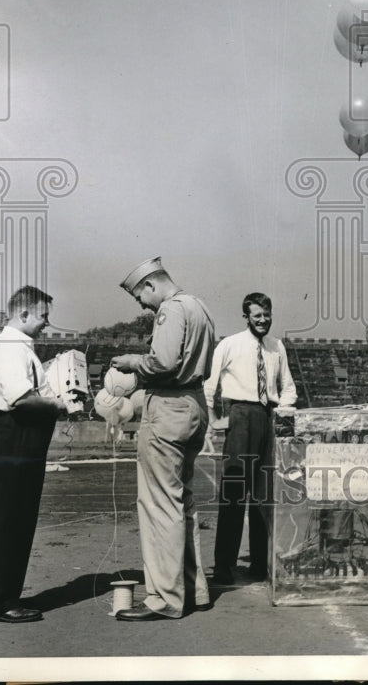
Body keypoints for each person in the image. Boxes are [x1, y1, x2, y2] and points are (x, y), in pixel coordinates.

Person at [112, 257, 215, 620]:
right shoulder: (198, 305)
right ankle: (194, 590)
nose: (141, 304)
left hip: (169, 408)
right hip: (194, 405)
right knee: (182, 503)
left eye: (140, 296)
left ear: (152, 285)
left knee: (160, 507)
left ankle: (164, 599)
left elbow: (164, 363)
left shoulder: (171, 309)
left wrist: (131, 363)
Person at [0, 285, 67, 623]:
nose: (47, 322)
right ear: (25, 313)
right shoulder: (13, 347)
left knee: (17, 519)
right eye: (43, 316)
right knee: (9, 521)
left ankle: (5, 597)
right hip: (13, 434)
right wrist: (58, 404)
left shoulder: (18, 346)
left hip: (19, 435)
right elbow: (20, 398)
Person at [204, 292, 297, 584]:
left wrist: (282, 410)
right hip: (240, 416)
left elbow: (290, 388)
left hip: (268, 417)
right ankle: (224, 565)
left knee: (264, 495)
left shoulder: (276, 346)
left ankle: (260, 563)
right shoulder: (229, 344)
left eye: (267, 315)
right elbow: (209, 385)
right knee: (233, 492)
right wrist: (213, 420)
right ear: (246, 316)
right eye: (257, 315)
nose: (263, 320)